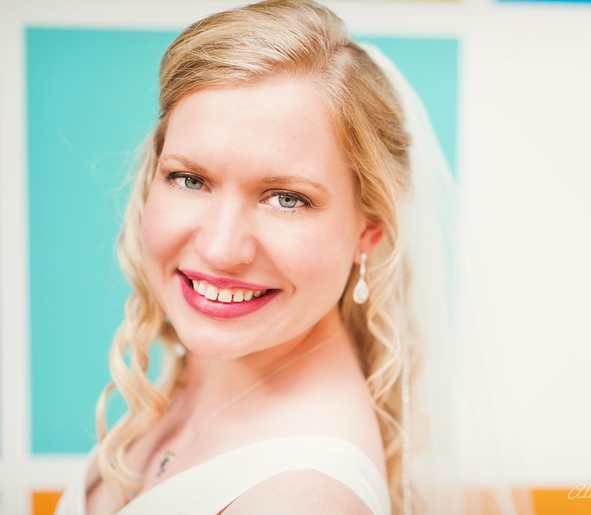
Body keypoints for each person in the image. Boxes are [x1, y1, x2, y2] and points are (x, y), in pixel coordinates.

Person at [55, 1, 463, 514]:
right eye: (190, 180)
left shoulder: (302, 500)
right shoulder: (200, 382)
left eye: (287, 199)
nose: (221, 249)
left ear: (369, 231)